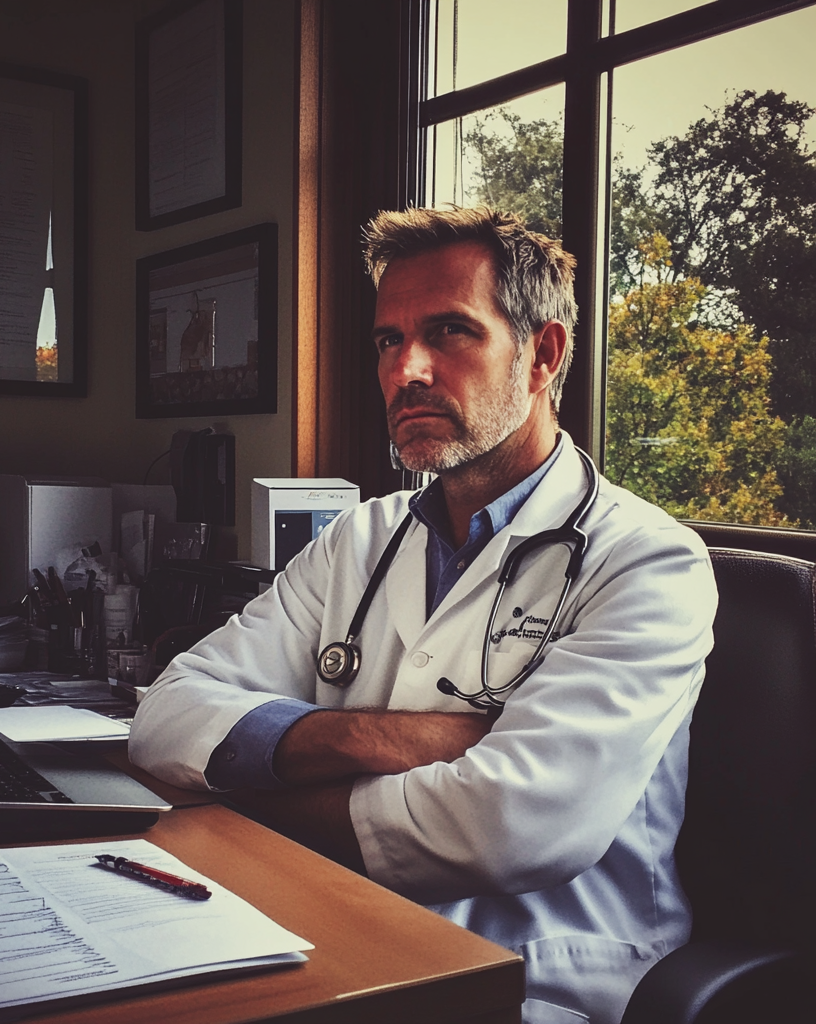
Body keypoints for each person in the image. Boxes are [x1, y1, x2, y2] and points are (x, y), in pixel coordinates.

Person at [129, 206, 718, 1024]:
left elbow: (509, 830)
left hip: (536, 978)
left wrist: (248, 788)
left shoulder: (646, 559)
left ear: (541, 354)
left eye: (449, 332)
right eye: (386, 340)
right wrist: (379, 737)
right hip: (323, 923)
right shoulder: (360, 538)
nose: (407, 369)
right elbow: (165, 712)